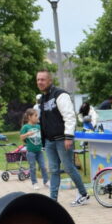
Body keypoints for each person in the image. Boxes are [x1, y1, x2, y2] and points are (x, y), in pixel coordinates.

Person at [36, 68, 91, 206]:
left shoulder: (60, 95)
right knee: (53, 170)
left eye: (43, 79)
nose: (40, 82)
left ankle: (83, 194)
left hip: (62, 139)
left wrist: (68, 137)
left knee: (68, 168)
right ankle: (53, 201)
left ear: (50, 80)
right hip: (49, 141)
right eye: (38, 80)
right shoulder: (42, 99)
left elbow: (69, 117)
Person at [20, 107, 48, 189]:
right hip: (31, 151)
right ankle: (34, 183)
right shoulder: (26, 127)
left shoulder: (38, 126)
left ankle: (46, 181)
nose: (37, 117)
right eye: (35, 116)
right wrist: (27, 134)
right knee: (32, 167)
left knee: (43, 166)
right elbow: (21, 137)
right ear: (29, 117)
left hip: (39, 151)